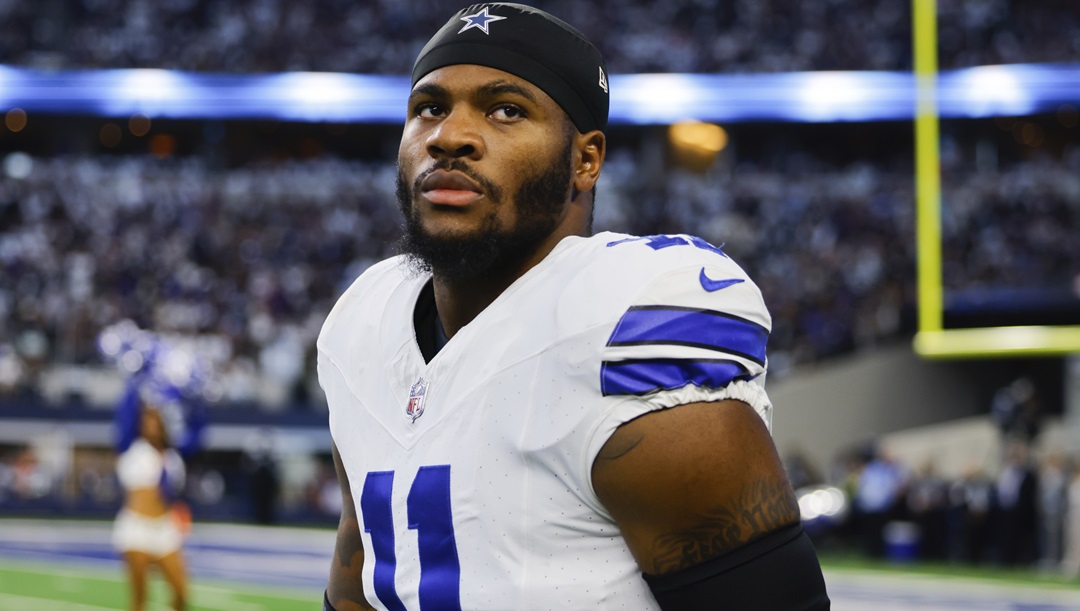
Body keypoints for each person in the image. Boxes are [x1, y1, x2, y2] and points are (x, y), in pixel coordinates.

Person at [317, 4, 830, 609]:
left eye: (506, 110)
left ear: (585, 160)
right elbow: (360, 576)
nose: (448, 136)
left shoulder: (624, 324)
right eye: (430, 107)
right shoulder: (363, 322)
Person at [112, 374, 204, 611]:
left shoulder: (173, 460)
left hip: (164, 528)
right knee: (140, 598)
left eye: (154, 421)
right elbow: (123, 418)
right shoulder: (135, 452)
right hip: (136, 528)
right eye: (145, 421)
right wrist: (135, 379)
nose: (149, 426)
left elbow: (173, 496)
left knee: (181, 593)